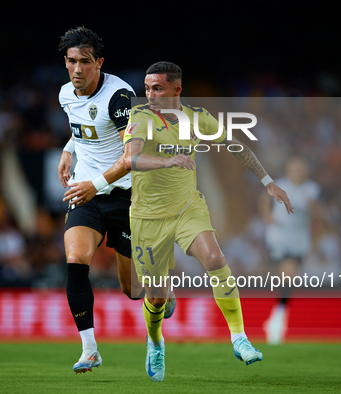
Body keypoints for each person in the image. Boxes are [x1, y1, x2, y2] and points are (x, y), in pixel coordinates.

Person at [123, 61, 294, 382]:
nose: (150, 95)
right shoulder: (141, 117)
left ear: (177, 90)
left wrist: (267, 181)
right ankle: (156, 342)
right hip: (146, 217)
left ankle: (239, 337)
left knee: (216, 258)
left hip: (188, 208)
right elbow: (130, 159)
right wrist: (166, 160)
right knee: (157, 297)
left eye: (157, 88)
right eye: (147, 88)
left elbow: (234, 146)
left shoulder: (197, 117)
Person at [56, 27, 176, 375]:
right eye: (71, 62)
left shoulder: (119, 97)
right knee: (76, 259)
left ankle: (163, 289)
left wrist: (95, 184)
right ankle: (89, 349)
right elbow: (81, 125)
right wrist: (68, 150)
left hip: (125, 195)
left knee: (132, 289)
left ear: (99, 63)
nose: (77, 69)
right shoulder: (66, 93)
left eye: (85, 62)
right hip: (87, 193)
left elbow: (130, 155)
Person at [258, 156, 321, 344]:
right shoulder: (280, 185)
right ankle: (278, 318)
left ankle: (277, 314)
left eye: (300, 169)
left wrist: (314, 211)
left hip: (299, 239)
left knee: (288, 277)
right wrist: (268, 217)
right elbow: (263, 199)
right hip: (279, 236)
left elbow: (317, 212)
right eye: (294, 169)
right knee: (288, 272)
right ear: (287, 171)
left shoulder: (312, 189)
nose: (297, 173)